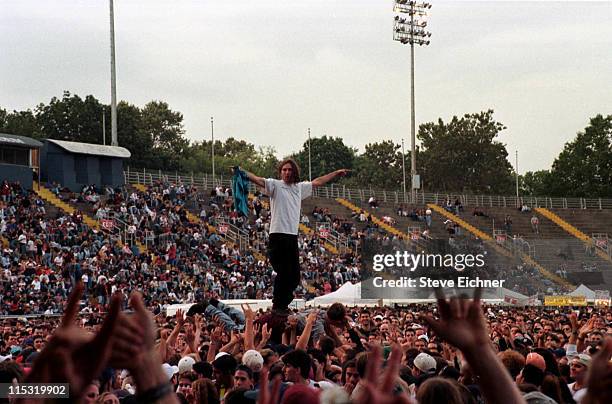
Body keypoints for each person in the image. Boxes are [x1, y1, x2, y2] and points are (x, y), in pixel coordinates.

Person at [244, 159, 349, 315]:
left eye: (290, 170)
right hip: (278, 234)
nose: (287, 172)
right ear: (280, 172)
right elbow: (258, 180)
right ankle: (278, 306)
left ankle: (283, 304)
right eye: (284, 170)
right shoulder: (275, 185)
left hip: (291, 236)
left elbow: (317, 182)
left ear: (294, 172)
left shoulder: (299, 188)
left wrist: (336, 173)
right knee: (283, 272)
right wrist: (242, 172)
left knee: (294, 277)